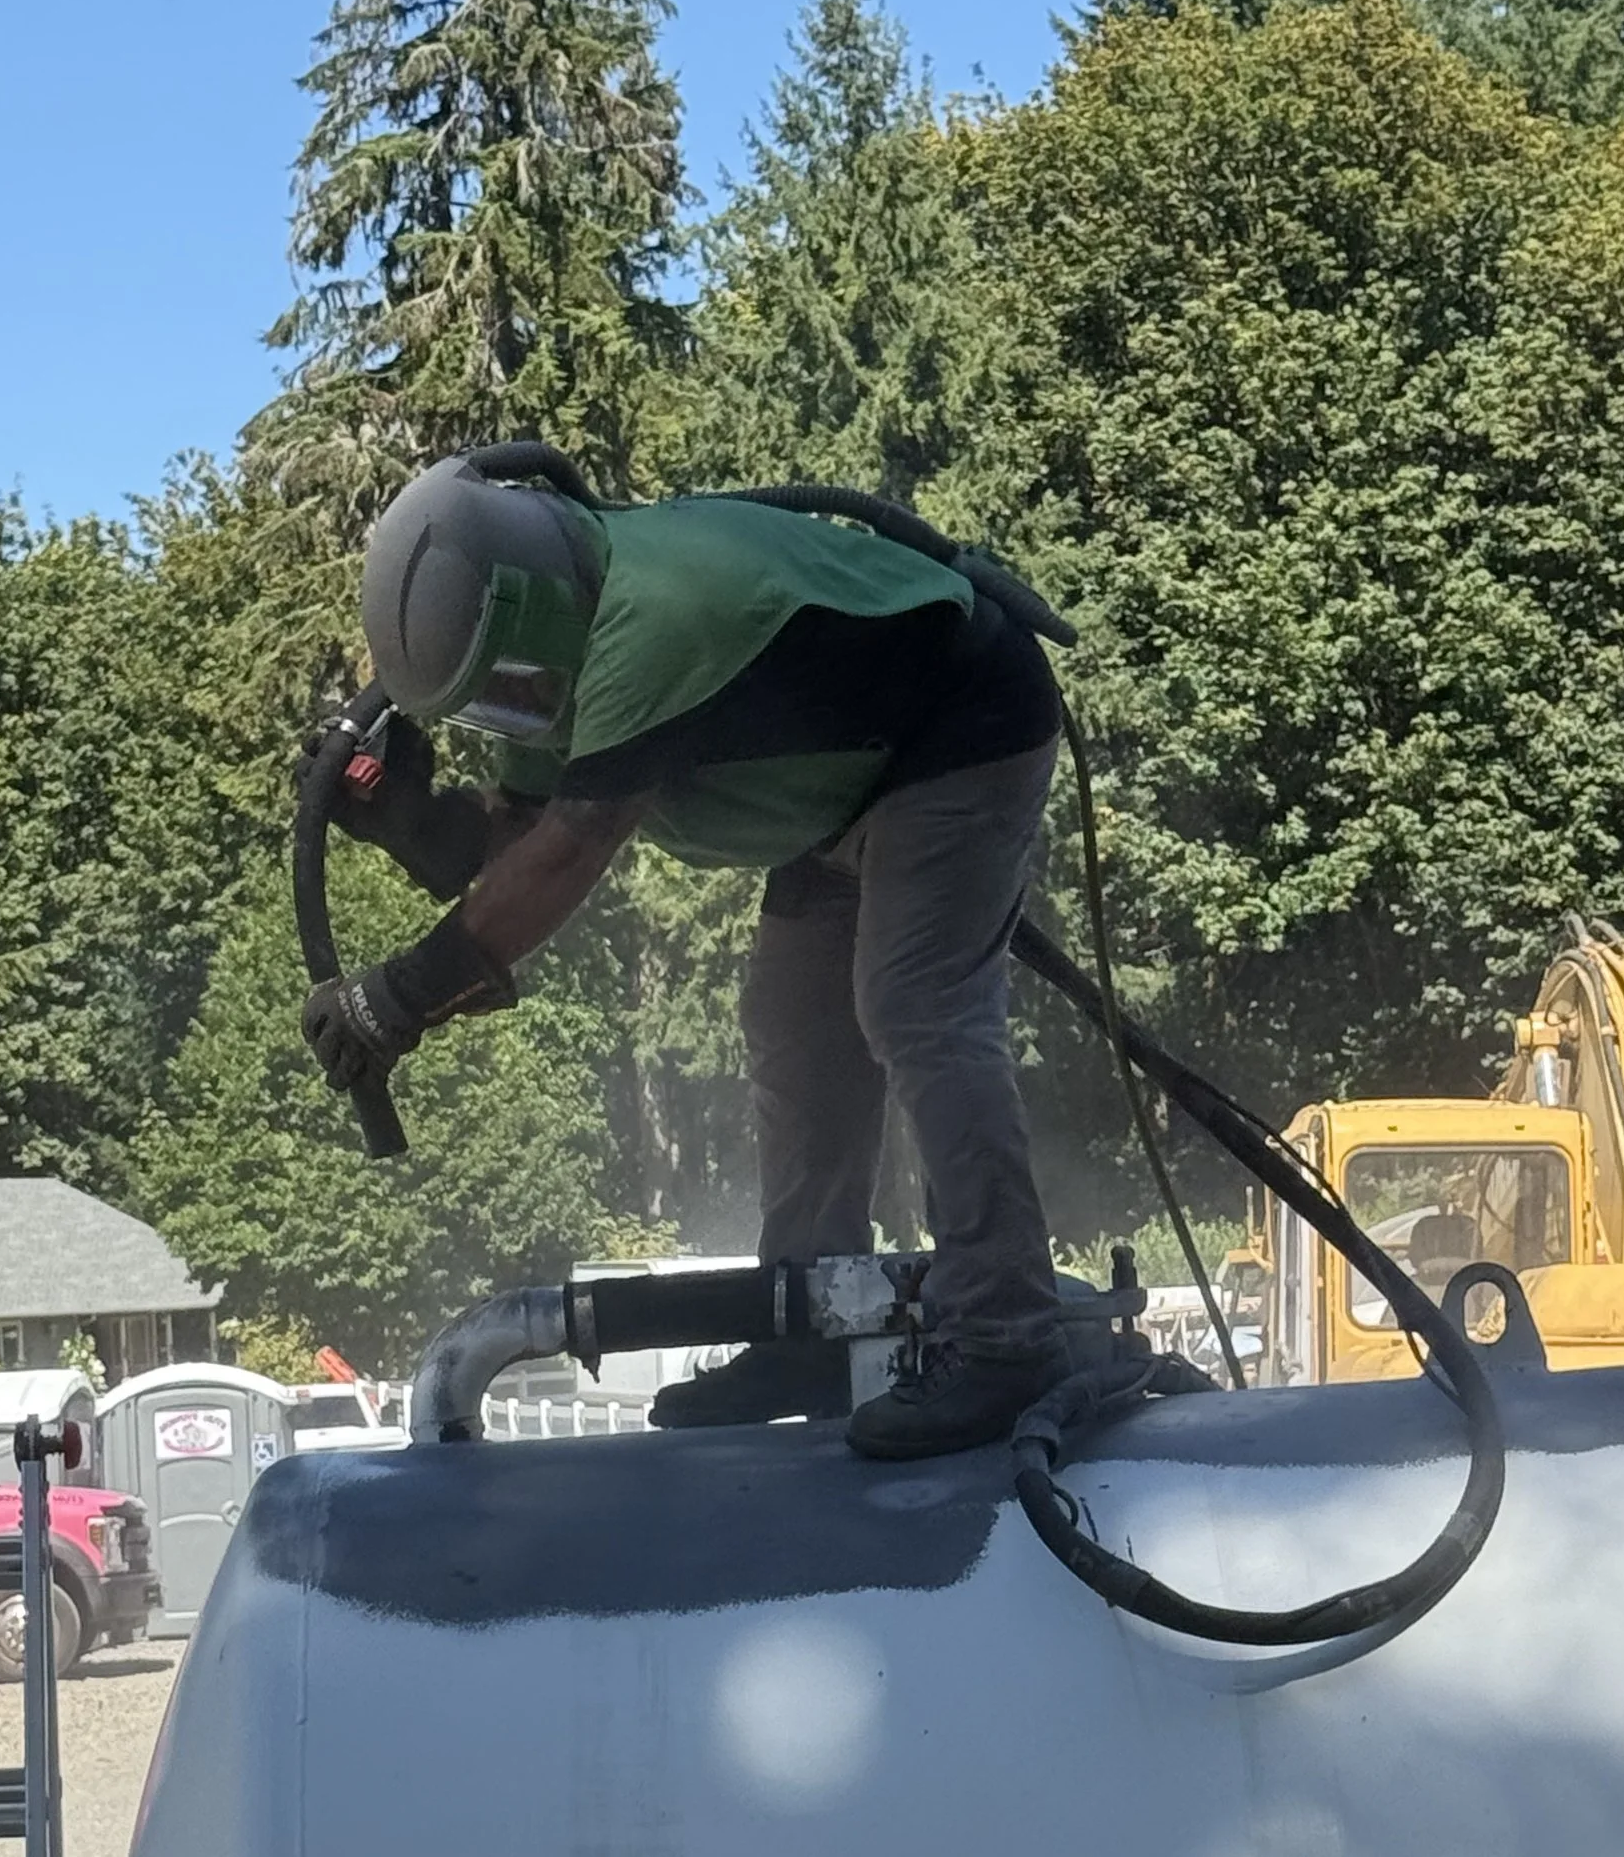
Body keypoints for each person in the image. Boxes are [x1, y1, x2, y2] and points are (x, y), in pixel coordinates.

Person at [301, 450, 1072, 1460]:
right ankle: (806, 1323)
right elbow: (510, 843)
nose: (510, 715)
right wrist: (404, 820)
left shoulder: (653, 616)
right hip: (842, 790)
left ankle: (1007, 1336)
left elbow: (569, 851)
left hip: (960, 724)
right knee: (794, 1029)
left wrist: (396, 999)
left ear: (533, 615)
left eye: (504, 692)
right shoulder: (563, 649)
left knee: (915, 1003)